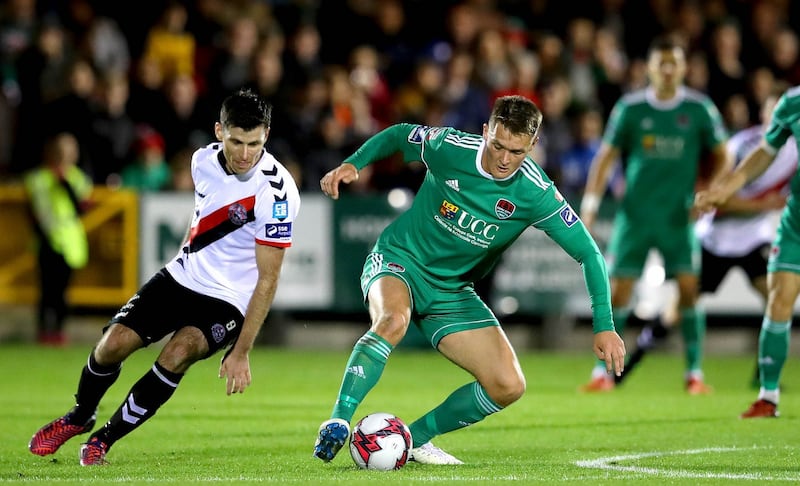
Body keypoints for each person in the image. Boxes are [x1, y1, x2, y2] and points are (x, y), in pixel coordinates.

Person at [312, 95, 625, 465]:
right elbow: (399, 134)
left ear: (533, 145)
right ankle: (338, 420)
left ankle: (412, 440)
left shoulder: (535, 192)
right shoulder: (450, 148)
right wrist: (354, 163)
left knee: (508, 385)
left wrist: (604, 325)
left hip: (451, 290)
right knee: (393, 320)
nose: (504, 159)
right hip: (400, 259)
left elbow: (589, 253)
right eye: (498, 145)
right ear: (485, 131)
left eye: (517, 151)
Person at [28, 88, 300, 465]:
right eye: (236, 142)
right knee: (111, 345)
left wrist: (242, 350)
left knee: (178, 352)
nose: (244, 154)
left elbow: (268, 279)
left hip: (229, 299)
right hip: (182, 276)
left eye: (254, 144)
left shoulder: (278, 193)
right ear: (219, 131)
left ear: (266, 135)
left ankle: (102, 440)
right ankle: (80, 415)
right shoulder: (201, 161)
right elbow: (205, 218)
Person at [615, 91, 797, 387]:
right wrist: (762, 205)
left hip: (754, 241)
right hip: (717, 240)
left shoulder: (794, 151)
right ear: (764, 114)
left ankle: (764, 379)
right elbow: (719, 202)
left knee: (778, 300)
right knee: (677, 310)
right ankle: (628, 365)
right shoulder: (742, 147)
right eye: (772, 109)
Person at [578, 36, 729, 394]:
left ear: (683, 68)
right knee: (619, 292)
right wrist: (590, 206)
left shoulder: (699, 109)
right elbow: (605, 157)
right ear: (649, 68)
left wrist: (711, 192)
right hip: (636, 216)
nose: (667, 70)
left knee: (689, 291)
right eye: (661, 63)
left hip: (679, 217)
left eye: (673, 63)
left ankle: (694, 374)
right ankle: (602, 373)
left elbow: (724, 154)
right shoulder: (630, 109)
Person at [695, 84, 800, 418]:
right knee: (778, 300)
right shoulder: (792, 103)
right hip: (795, 225)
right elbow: (765, 152)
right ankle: (768, 396)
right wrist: (724, 190)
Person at [24, 132, 92, 345]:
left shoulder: (77, 178)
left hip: (69, 242)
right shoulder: (38, 178)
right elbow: (36, 210)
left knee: (62, 290)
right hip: (47, 240)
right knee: (47, 289)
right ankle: (44, 330)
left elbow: (81, 208)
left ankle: (58, 330)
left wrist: (66, 185)